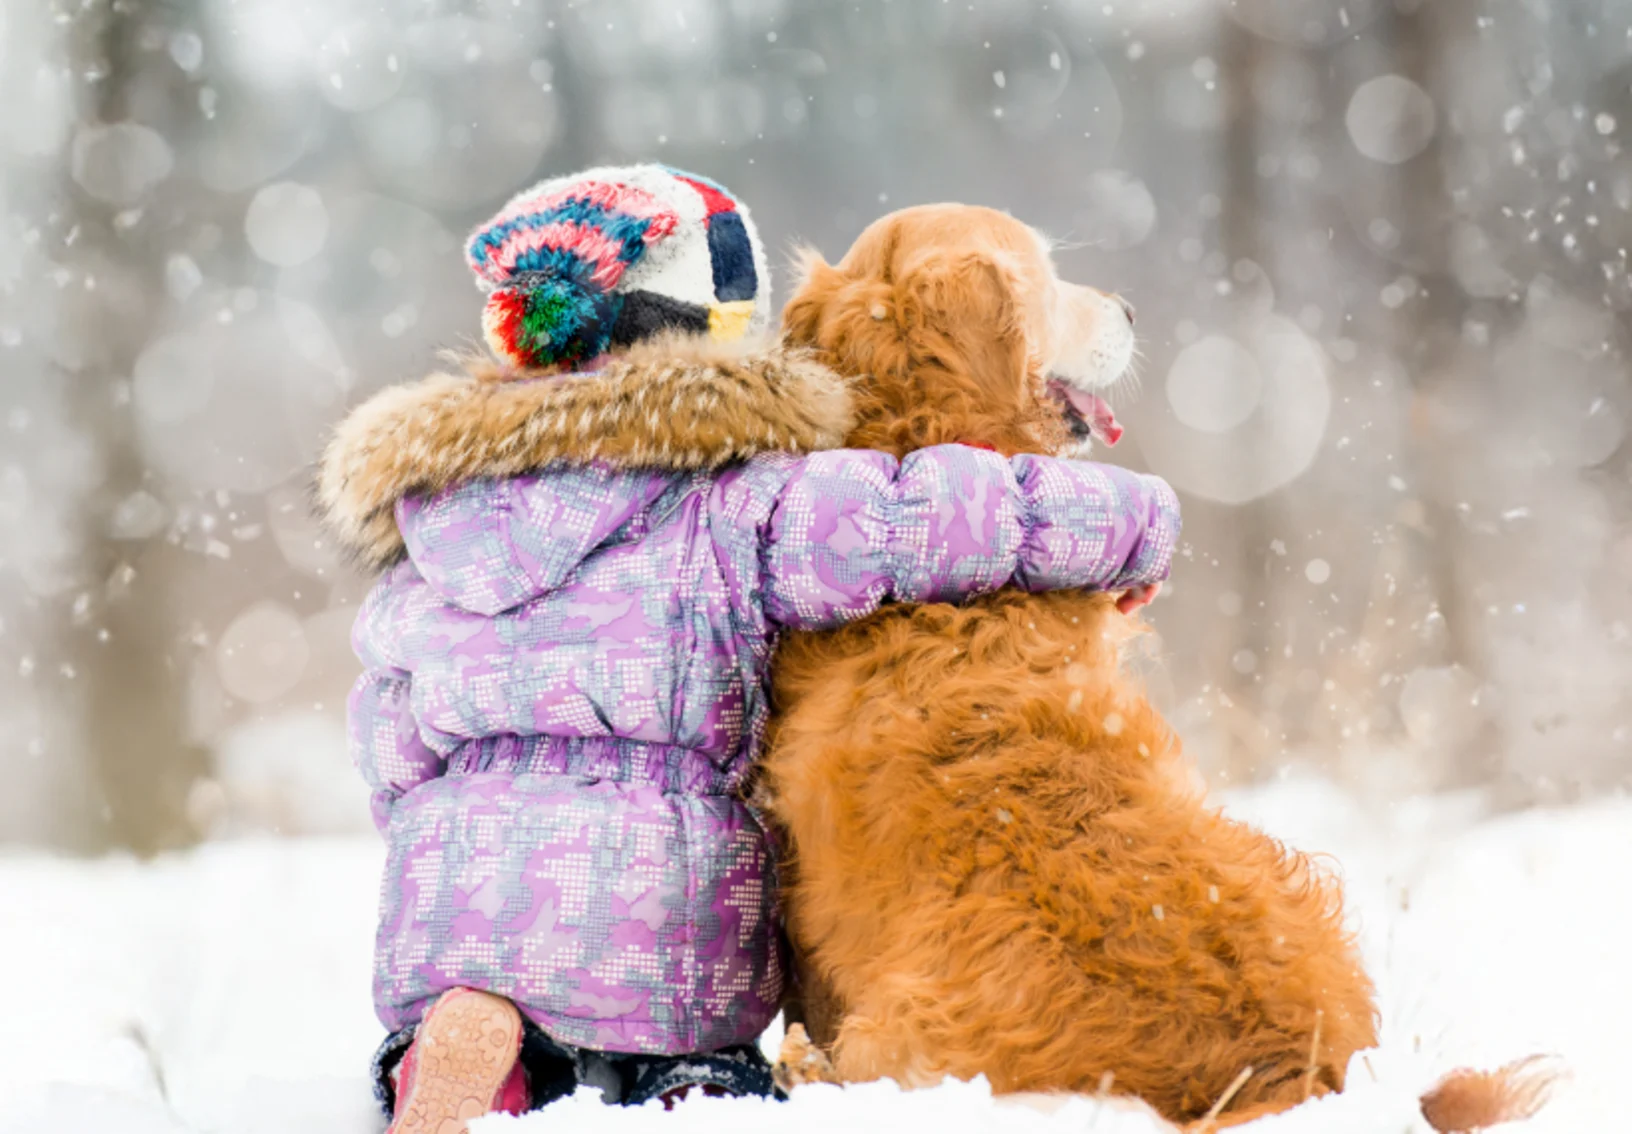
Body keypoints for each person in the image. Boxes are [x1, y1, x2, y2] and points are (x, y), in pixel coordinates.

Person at [316, 165, 1181, 1133]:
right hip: (663, 917)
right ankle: (695, 1090)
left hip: (453, 904)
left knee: (468, 1000)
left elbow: (387, 740)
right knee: (706, 1068)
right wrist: (1131, 522)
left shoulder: (436, 527)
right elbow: (925, 521)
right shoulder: (739, 499)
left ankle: (469, 1049)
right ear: (721, 318)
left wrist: (453, 832)